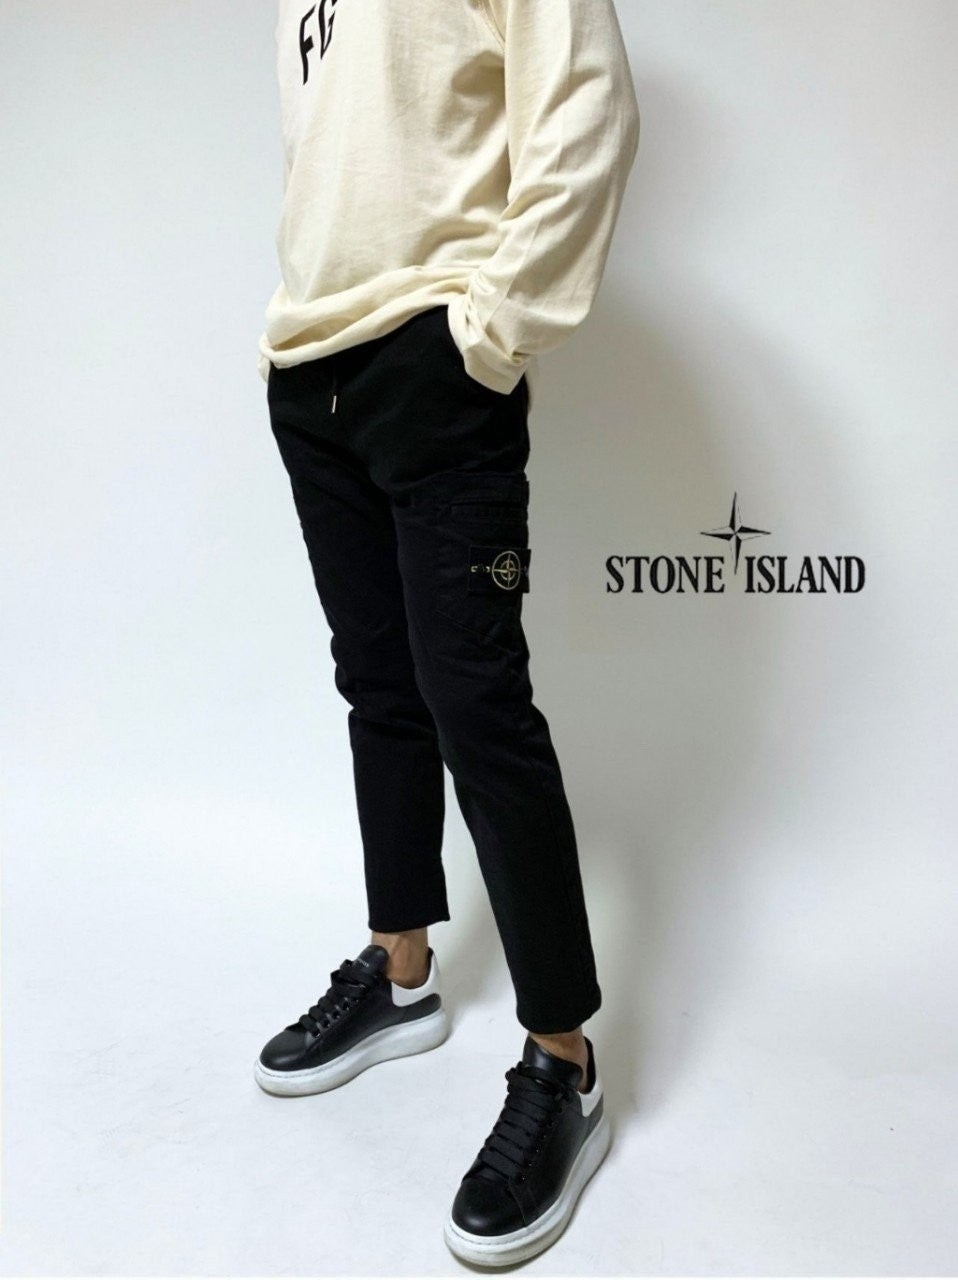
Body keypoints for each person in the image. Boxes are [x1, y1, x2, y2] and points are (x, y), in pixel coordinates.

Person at [254, 0, 639, 1265]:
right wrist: (288, 334)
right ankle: (401, 967)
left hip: (436, 361)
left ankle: (564, 1057)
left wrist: (489, 331)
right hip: (310, 371)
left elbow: (584, 105)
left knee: (476, 701)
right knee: (378, 684)